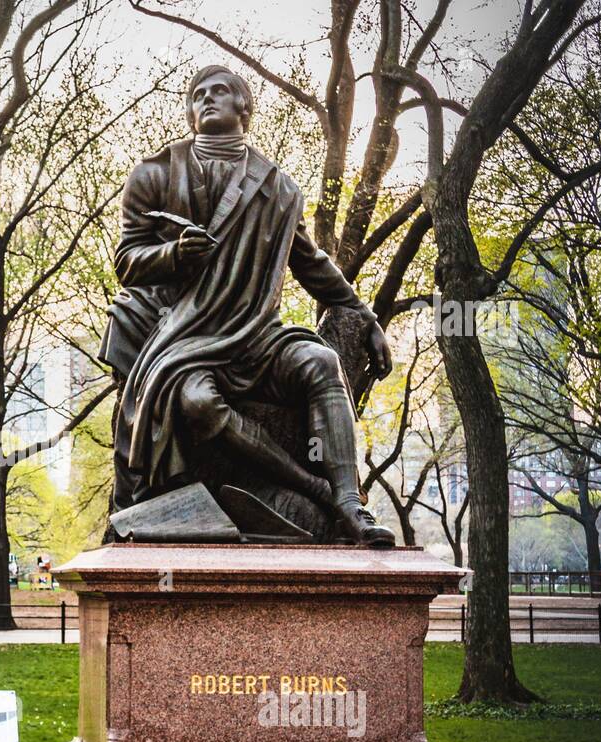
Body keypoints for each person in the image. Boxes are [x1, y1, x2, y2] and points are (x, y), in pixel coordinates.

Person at [103, 65, 395, 547]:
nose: (207, 100)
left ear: (244, 107)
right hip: (185, 337)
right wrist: (174, 254)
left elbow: (311, 263)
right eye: (198, 94)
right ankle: (314, 490)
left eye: (220, 91)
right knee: (196, 401)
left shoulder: (279, 189)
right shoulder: (154, 175)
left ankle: (349, 503)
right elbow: (126, 261)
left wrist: (364, 315)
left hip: (258, 336)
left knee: (322, 362)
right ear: (191, 111)